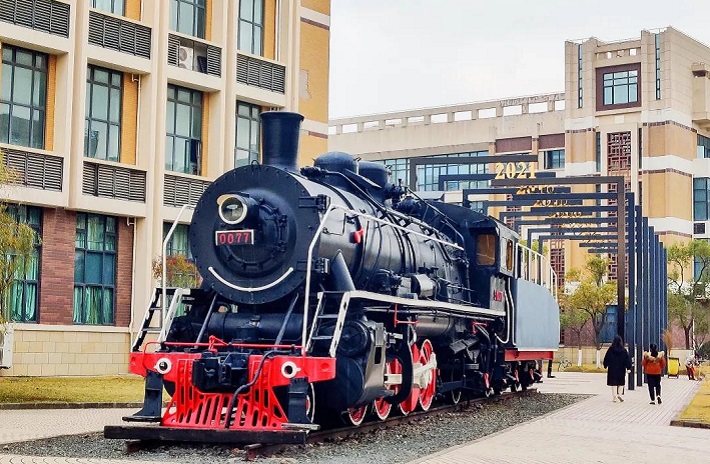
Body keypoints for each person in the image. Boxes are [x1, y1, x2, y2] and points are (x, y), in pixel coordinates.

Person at [603, 335, 632, 403]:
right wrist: (628, 367)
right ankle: (619, 394)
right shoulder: (624, 350)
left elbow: (607, 358)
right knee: (621, 382)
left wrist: (605, 365)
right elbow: (627, 359)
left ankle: (615, 397)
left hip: (612, 368)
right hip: (621, 368)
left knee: (613, 383)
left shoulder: (611, 349)